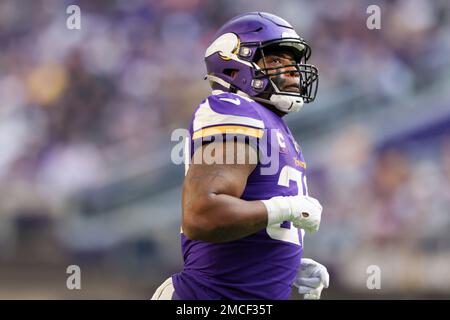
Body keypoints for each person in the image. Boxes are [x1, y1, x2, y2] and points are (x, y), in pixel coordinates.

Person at [152, 12, 329, 300]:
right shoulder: (235, 108)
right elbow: (203, 214)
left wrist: (280, 265)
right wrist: (287, 209)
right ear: (234, 67)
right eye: (275, 60)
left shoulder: (274, 125)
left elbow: (248, 218)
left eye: (293, 62)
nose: (294, 70)